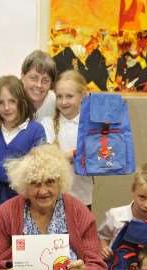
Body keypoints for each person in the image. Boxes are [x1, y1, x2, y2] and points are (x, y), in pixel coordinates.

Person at [0, 75, 46, 204]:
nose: (6, 108)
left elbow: (36, 172)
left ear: (22, 101)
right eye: (0, 103)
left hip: (24, 206)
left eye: (12, 101)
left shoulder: (36, 131)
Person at [98, 162, 147, 260]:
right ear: (133, 191)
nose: (146, 205)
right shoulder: (115, 215)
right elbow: (102, 236)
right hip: (118, 269)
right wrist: (104, 248)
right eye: (142, 197)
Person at [41, 70, 93, 207]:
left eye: (69, 96)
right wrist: (77, 153)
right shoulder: (47, 124)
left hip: (82, 199)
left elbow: (98, 155)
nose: (63, 102)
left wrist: (71, 155)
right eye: (59, 96)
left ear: (82, 96)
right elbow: (46, 160)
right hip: (51, 199)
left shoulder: (91, 126)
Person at [0, 50, 57, 123]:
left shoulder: (55, 101)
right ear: (22, 76)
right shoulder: (3, 96)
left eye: (45, 80)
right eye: (34, 78)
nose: (39, 85)